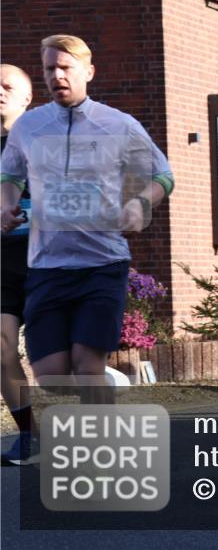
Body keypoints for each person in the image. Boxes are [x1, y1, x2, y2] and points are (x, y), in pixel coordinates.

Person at [0, 36, 173, 408]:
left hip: (102, 264)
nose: (57, 75)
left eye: (66, 68)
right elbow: (10, 174)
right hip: (46, 265)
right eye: (50, 68)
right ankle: (105, 394)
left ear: (88, 72)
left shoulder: (118, 125)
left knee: (86, 364)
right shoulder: (28, 127)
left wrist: (140, 203)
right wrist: (7, 206)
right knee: (53, 378)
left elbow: (162, 175)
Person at [0, 64, 36, 465]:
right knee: (3, 350)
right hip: (2, 266)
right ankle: (28, 437)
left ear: (28, 98)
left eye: (7, 86)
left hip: (47, 262)